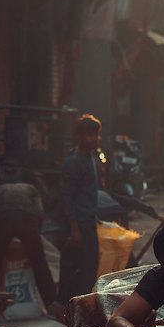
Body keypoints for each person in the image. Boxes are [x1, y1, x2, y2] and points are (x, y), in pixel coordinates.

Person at [0, 160, 66, 322]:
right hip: (27, 219)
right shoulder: (31, 189)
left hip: (3, 219)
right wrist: (33, 238)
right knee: (40, 265)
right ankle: (51, 306)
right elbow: (39, 213)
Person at [58, 113, 103, 303]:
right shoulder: (74, 162)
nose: (93, 139)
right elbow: (67, 197)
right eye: (89, 135)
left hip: (88, 221)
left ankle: (63, 305)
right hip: (80, 225)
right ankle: (68, 306)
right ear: (79, 136)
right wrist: (75, 229)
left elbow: (89, 193)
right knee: (85, 269)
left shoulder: (91, 157)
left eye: (95, 134)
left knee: (81, 268)